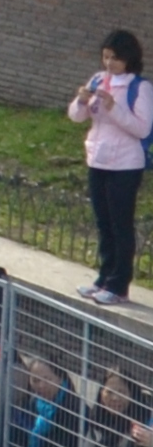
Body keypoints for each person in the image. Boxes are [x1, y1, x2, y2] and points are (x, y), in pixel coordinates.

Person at [79, 29, 149, 303]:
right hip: (97, 158)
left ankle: (119, 284)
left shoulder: (140, 88)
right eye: (106, 57)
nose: (109, 64)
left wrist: (113, 108)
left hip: (125, 164)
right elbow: (77, 116)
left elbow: (142, 128)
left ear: (128, 59)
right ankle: (103, 276)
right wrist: (82, 101)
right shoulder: (98, 80)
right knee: (103, 222)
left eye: (115, 59)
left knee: (120, 223)